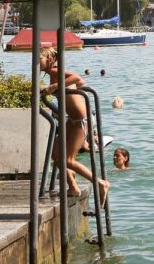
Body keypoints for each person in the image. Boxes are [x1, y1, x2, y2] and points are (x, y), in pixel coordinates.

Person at [39, 47, 109, 201]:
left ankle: (100, 183)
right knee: (56, 154)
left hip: (81, 121)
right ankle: (73, 187)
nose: (37, 62)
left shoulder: (57, 72)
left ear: (50, 60)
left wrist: (55, 87)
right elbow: (80, 82)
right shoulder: (53, 74)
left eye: (40, 59)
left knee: (68, 159)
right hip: (72, 119)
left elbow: (78, 78)